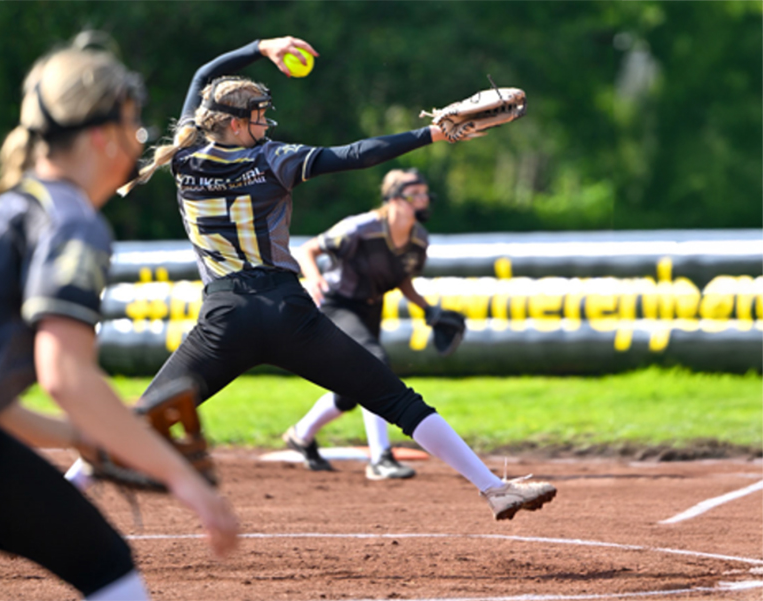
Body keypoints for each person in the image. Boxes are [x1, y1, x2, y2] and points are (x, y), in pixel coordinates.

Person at [0, 33, 238, 601]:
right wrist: (182, 477)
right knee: (109, 572)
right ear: (100, 135)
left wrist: (81, 439)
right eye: (135, 130)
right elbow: (66, 376)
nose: (137, 146)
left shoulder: (9, 207)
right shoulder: (70, 222)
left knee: (107, 566)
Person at [126, 36, 556, 521]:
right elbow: (356, 155)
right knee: (395, 398)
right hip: (287, 313)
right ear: (232, 122)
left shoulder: (183, 160)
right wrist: (432, 135)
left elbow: (205, 72)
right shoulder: (272, 160)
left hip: (225, 318)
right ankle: (493, 488)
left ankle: (57, 496)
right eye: (259, 116)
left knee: (143, 420)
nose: (266, 123)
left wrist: (259, 47)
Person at [284, 168, 438, 480]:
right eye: (414, 194)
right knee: (373, 366)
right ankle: (380, 458)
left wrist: (428, 309)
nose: (422, 200)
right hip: (338, 304)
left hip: (370, 307)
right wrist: (313, 279)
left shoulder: (419, 238)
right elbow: (308, 249)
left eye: (425, 194)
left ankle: (300, 435)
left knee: (350, 392)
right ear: (394, 199)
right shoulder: (362, 227)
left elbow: (402, 279)